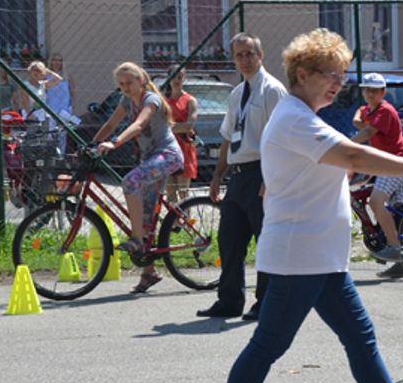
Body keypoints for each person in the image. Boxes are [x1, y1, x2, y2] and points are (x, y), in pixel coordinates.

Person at [204, 29, 403, 383]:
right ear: (302, 74)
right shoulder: (295, 117)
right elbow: (353, 158)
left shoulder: (304, 117)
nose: (339, 83)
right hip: (301, 257)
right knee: (269, 345)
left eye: (342, 75)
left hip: (320, 257)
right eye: (329, 74)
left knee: (359, 339)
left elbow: (331, 165)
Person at [196, 33, 286, 322]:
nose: (245, 60)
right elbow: (227, 138)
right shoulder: (237, 93)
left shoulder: (272, 90)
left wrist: (270, 177)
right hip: (238, 175)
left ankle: (267, 303)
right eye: (239, 55)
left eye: (249, 54)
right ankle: (229, 300)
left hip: (262, 171)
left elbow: (281, 137)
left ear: (260, 55)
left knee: (265, 242)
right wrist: (217, 176)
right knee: (230, 240)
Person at [93, 62, 184, 294]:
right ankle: (149, 272)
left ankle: (135, 239)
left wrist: (115, 142)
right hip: (149, 160)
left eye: (129, 83)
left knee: (130, 182)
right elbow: (111, 123)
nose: (125, 87)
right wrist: (91, 144)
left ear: (141, 81)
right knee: (145, 217)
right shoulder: (126, 101)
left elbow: (139, 123)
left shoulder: (150, 99)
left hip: (167, 155)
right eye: (121, 84)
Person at [350, 72, 403, 279]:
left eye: (375, 90)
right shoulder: (369, 109)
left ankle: (394, 246)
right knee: (397, 212)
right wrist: (364, 123)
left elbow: (368, 133)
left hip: (396, 164)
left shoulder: (385, 111)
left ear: (383, 92)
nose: (370, 93)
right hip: (385, 165)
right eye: (367, 90)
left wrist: (346, 146)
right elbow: (356, 119)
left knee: (376, 201)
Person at [165, 68, 199, 205]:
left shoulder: (190, 100)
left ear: (184, 79)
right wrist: (178, 127)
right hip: (167, 147)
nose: (176, 80)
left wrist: (167, 127)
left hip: (184, 148)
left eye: (179, 77)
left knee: (183, 192)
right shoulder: (164, 101)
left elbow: (188, 126)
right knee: (170, 191)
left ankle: (186, 222)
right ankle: (173, 224)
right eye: (173, 77)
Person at [13, 60, 65, 124]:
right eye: (35, 70)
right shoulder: (25, 85)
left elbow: (59, 79)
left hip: (42, 114)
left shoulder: (43, 84)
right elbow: (25, 101)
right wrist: (31, 115)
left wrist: (47, 71)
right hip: (30, 114)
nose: (37, 73)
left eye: (39, 71)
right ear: (30, 72)